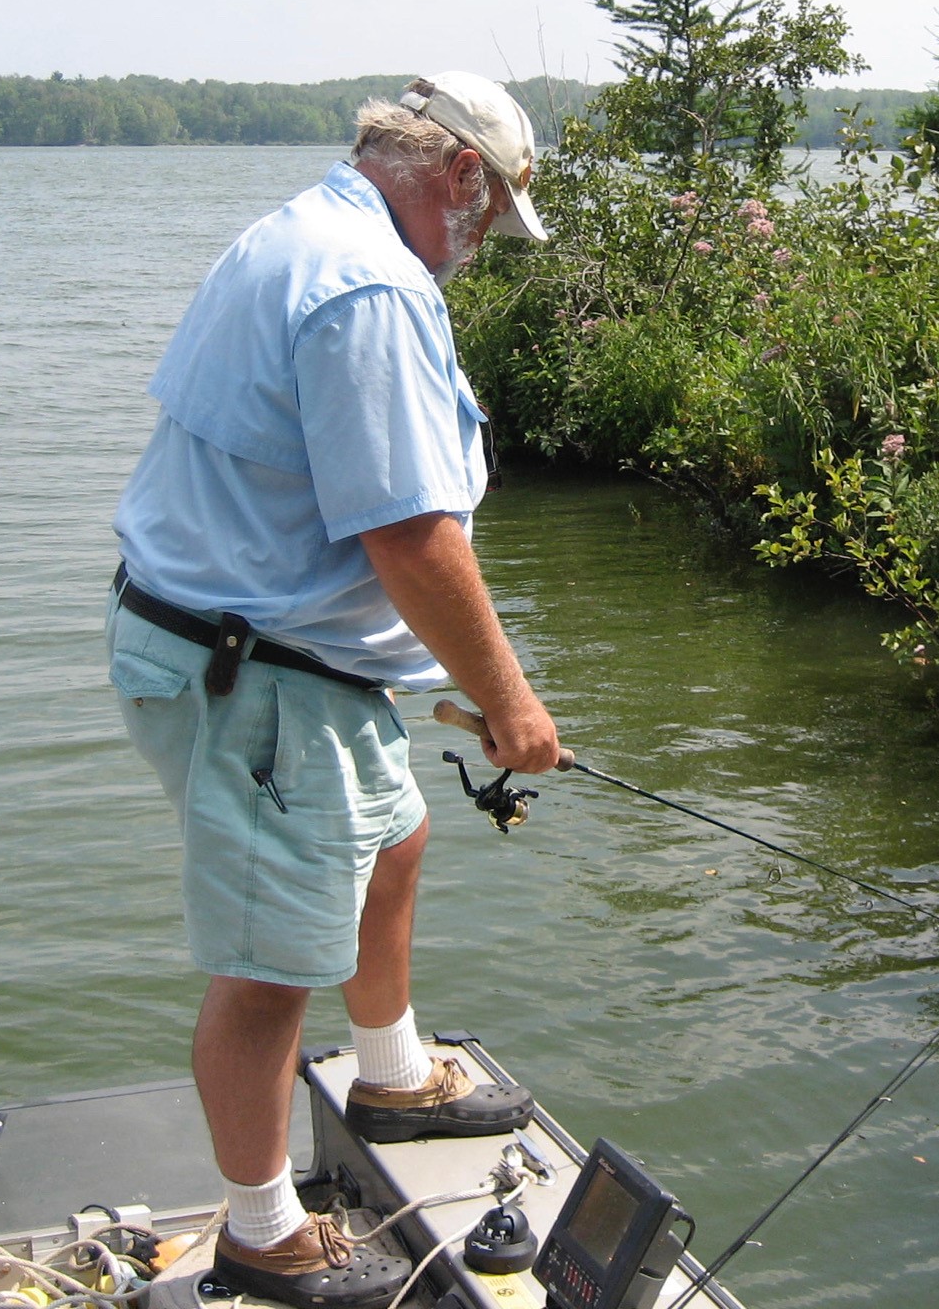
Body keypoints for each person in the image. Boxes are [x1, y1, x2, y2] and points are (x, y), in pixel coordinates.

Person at [105, 72, 561, 1309]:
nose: (483, 252)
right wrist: (512, 709)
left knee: (396, 835)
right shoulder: (366, 288)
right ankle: (262, 1233)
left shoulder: (300, 232)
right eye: (492, 218)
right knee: (269, 963)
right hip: (256, 676)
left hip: (246, 652)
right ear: (461, 174)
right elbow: (411, 537)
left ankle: (393, 1072)